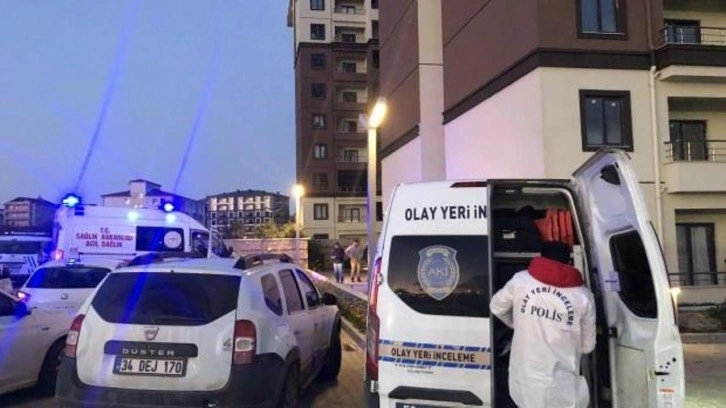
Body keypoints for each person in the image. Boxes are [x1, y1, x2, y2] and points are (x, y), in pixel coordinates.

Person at [490, 241, 596, 408]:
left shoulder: (521, 281)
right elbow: (588, 346)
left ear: (540, 258)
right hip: (562, 383)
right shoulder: (584, 296)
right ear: (569, 262)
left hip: (525, 377)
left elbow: (496, 307)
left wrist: (519, 325)